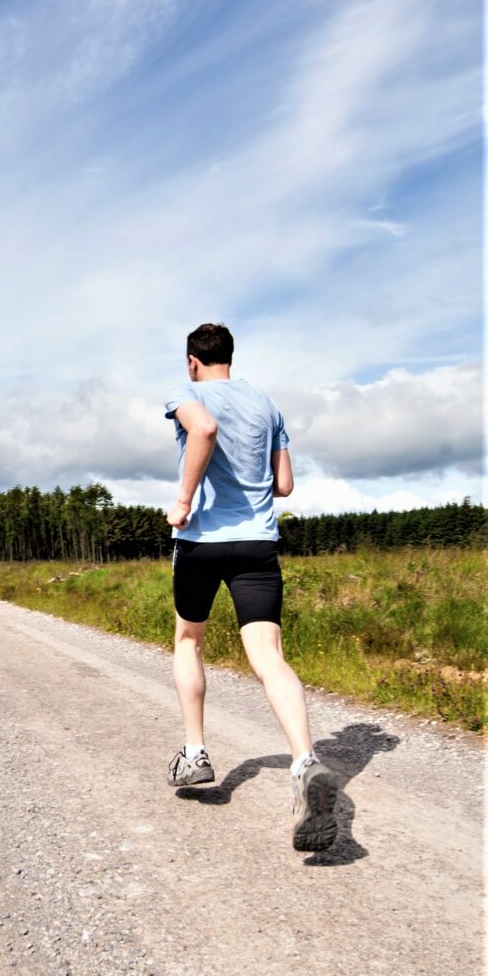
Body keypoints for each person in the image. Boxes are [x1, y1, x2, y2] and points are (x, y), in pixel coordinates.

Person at [163, 322, 338, 852]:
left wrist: (184, 500)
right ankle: (305, 760)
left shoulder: (186, 394)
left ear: (192, 361)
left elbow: (204, 430)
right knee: (269, 656)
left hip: (200, 543)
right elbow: (284, 484)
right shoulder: (266, 405)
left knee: (189, 640)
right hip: (258, 543)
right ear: (229, 358)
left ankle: (195, 754)